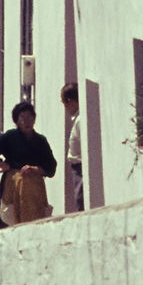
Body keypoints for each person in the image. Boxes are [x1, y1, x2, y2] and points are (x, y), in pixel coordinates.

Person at [0, 102, 57, 232]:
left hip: (34, 186)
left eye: (29, 117)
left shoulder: (40, 141)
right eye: (22, 118)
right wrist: (0, 163)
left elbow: (51, 167)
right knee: (11, 220)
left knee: (34, 221)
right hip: (14, 184)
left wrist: (35, 169)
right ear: (17, 121)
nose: (26, 121)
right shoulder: (10, 137)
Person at [62, 82, 84, 212]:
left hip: (80, 167)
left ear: (70, 101)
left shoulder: (80, 120)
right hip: (76, 168)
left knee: (80, 201)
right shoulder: (77, 119)